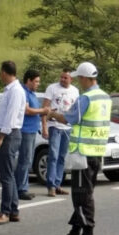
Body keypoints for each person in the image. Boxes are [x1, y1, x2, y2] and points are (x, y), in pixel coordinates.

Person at [48, 62, 111, 235]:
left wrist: (51, 114)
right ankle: (75, 232)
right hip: (96, 152)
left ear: (85, 78)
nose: (79, 82)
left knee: (82, 196)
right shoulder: (105, 97)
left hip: (83, 154)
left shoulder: (87, 98)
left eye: (79, 78)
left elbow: (69, 118)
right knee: (84, 193)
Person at [0, 61, 26, 225]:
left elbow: (11, 116)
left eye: (0, 73)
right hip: (8, 133)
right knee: (9, 175)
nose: (0, 76)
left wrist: (0, 138)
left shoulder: (15, 91)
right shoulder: (11, 90)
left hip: (9, 134)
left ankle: (5, 211)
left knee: (6, 176)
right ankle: (13, 210)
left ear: (5, 72)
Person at [42, 69, 79, 197]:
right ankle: (51, 186)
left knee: (62, 157)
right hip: (55, 126)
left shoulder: (75, 91)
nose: (62, 80)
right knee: (53, 156)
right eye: (61, 77)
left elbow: (75, 109)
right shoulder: (52, 88)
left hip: (67, 128)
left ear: (71, 79)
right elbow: (45, 108)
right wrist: (45, 126)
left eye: (65, 78)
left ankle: (58, 184)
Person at [15, 70, 50, 201]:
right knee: (25, 159)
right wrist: (43, 110)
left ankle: (21, 186)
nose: (37, 84)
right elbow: (27, 110)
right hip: (26, 130)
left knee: (27, 159)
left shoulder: (32, 94)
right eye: (36, 81)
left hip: (32, 130)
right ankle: (21, 189)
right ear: (28, 80)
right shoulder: (24, 93)